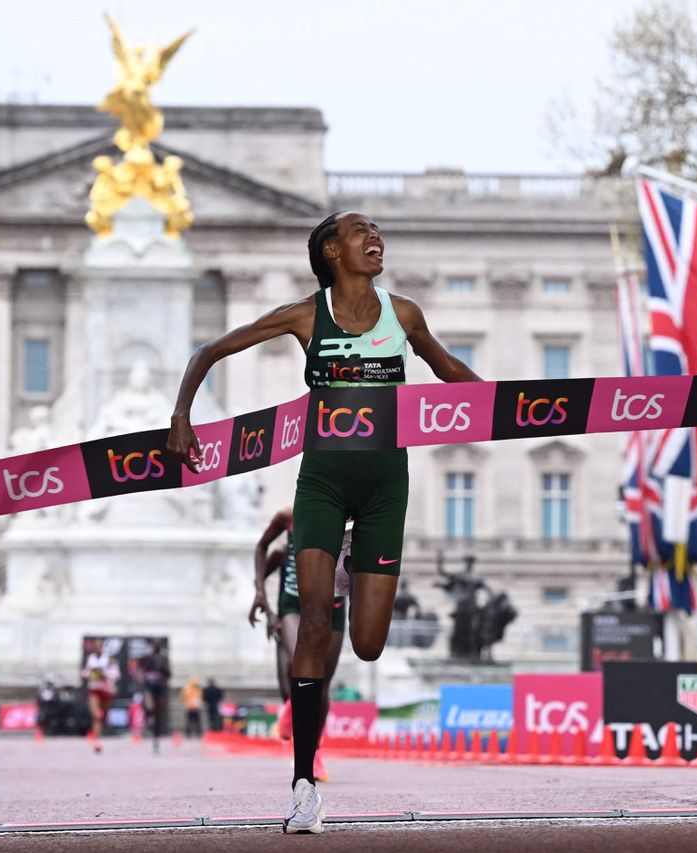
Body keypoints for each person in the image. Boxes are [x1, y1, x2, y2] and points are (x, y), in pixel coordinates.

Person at [167, 211, 480, 833]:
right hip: (323, 485)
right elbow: (209, 351)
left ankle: (348, 585)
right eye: (361, 231)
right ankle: (304, 784)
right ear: (331, 250)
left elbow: (451, 374)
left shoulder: (406, 314)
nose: (376, 238)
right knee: (312, 625)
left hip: (387, 488)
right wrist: (182, 418)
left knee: (366, 643)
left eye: (379, 231)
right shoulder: (305, 316)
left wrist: (524, 407)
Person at [250, 507, 350, 782]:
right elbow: (262, 547)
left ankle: (314, 750)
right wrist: (260, 595)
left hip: (334, 605)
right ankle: (293, 708)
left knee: (323, 685)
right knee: (301, 662)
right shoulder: (286, 516)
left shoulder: (351, 518)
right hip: (295, 603)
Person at [81, 638, 119, 754]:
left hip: (106, 690)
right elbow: (85, 673)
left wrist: (104, 675)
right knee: (96, 715)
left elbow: (116, 673)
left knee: (103, 716)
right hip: (95, 689)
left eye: (99, 646)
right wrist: (91, 674)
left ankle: (100, 732)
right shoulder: (90, 659)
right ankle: (97, 741)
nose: (98, 648)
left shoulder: (109, 659)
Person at [137, 640, 171, 753]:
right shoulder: (147, 658)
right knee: (149, 706)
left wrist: (163, 670)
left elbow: (169, 673)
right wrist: (142, 677)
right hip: (149, 687)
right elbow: (139, 669)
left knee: (159, 713)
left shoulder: (163, 659)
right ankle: (149, 721)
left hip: (160, 687)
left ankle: (156, 738)